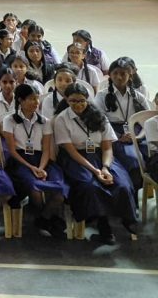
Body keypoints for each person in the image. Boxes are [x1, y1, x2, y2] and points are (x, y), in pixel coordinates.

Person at [53, 82, 138, 244]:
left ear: (87, 99)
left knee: (122, 183)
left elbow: (107, 147)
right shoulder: (62, 119)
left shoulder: (99, 116)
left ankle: (128, 219)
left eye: (81, 100)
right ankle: (103, 225)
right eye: (73, 101)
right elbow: (71, 151)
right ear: (66, 100)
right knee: (90, 185)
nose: (78, 104)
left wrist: (105, 167)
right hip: (76, 158)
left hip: (101, 156)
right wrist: (95, 171)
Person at [1, 84, 68, 239]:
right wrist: (31, 167)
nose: (36, 102)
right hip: (20, 161)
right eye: (31, 99)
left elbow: (46, 150)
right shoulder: (10, 120)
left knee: (60, 191)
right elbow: (12, 150)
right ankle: (49, 220)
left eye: (37, 98)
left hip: (42, 160)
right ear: (20, 100)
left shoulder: (44, 121)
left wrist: (41, 167)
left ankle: (43, 219)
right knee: (35, 190)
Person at [93, 56, 149, 189]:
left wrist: (138, 136)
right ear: (110, 75)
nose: (119, 77)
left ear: (130, 76)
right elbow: (100, 120)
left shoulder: (138, 96)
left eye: (123, 74)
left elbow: (147, 121)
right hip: (114, 133)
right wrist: (118, 136)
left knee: (150, 155)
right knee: (134, 161)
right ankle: (135, 192)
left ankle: (148, 190)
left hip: (136, 132)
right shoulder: (102, 96)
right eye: (115, 73)